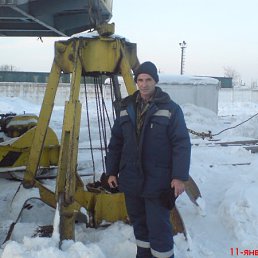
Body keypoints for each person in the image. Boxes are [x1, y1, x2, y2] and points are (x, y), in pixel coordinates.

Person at [105, 61, 191, 258]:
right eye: (140, 80)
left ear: (156, 81)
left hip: (158, 181)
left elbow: (181, 144)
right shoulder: (126, 107)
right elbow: (116, 142)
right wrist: (111, 171)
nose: (144, 84)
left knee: (159, 228)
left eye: (148, 80)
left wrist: (179, 177)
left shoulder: (170, 109)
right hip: (131, 179)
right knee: (140, 225)